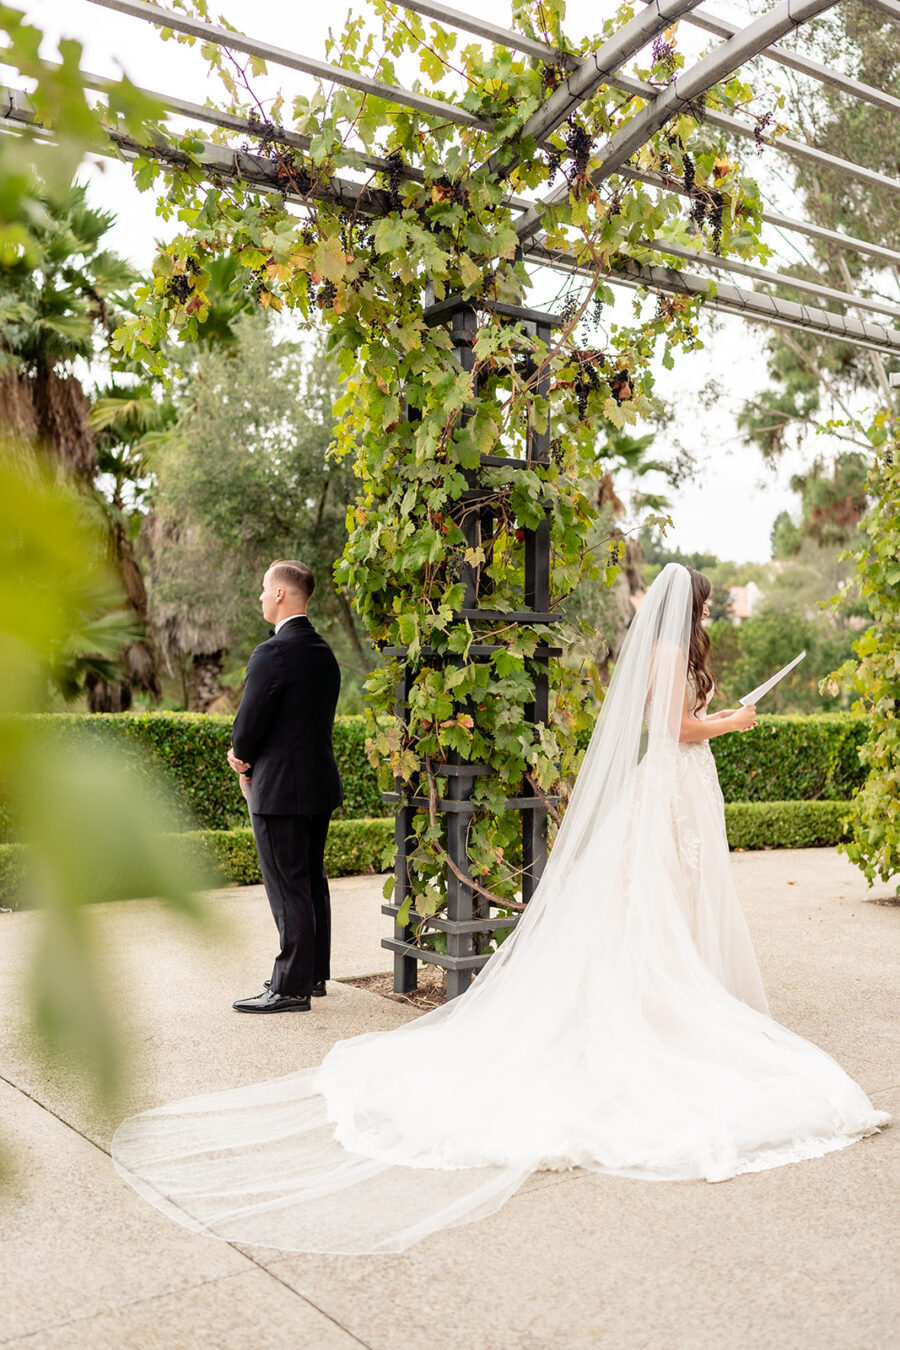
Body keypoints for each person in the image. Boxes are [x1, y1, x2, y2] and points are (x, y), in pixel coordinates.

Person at [112, 563, 887, 1254]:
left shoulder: (682, 650)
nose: (709, 620)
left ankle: (671, 998)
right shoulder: (660, 654)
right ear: (691, 609)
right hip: (669, 787)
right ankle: (650, 1007)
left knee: (670, 904)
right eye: (707, 609)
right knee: (645, 905)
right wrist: (729, 723)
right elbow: (670, 727)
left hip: (681, 791)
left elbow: (679, 724)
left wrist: (718, 720)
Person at [227, 560, 343, 1013]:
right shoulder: (323, 652)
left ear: (280, 595)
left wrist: (241, 761)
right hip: (318, 786)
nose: (259, 597)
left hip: (279, 791)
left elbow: (247, 726)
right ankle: (311, 976)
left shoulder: (271, 653)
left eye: (263, 589)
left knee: (288, 886)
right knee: (312, 880)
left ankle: (289, 989)